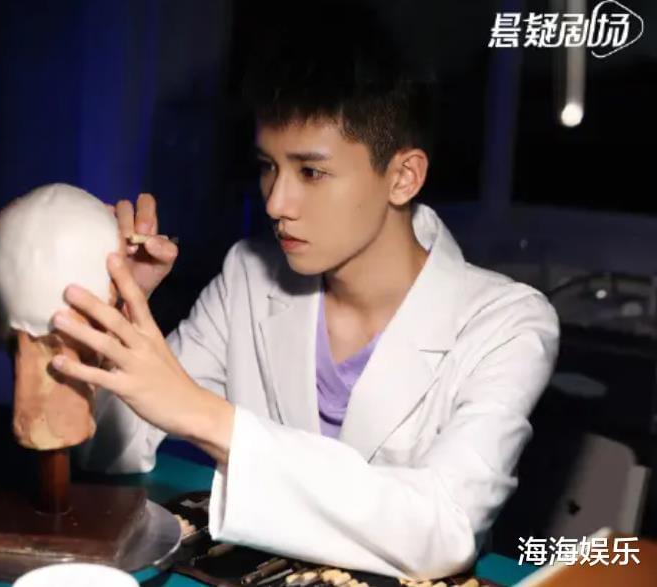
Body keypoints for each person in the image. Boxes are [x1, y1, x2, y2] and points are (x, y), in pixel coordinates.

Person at [48, 2, 560, 580]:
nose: (275, 202)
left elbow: (446, 531)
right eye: (268, 166)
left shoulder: (508, 323)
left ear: (403, 177)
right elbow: (110, 453)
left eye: (310, 172)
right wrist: (119, 311)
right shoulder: (248, 275)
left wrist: (206, 417)